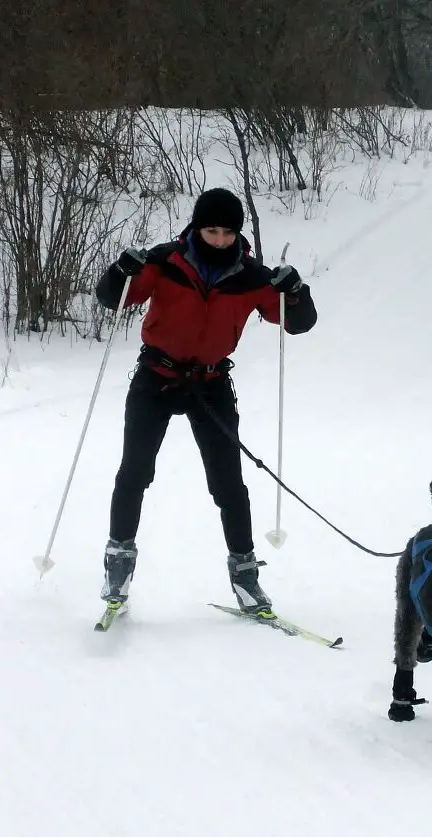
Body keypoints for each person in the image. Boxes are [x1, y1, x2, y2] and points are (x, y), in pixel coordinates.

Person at [95, 187, 317, 615]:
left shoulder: (252, 277)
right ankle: (118, 564)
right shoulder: (164, 262)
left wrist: (296, 292)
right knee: (134, 471)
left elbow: (298, 322)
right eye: (211, 230)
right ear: (197, 227)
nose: (218, 239)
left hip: (210, 383)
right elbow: (114, 297)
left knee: (229, 484)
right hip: (156, 377)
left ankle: (246, 576)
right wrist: (120, 270)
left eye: (227, 232)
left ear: (238, 233)